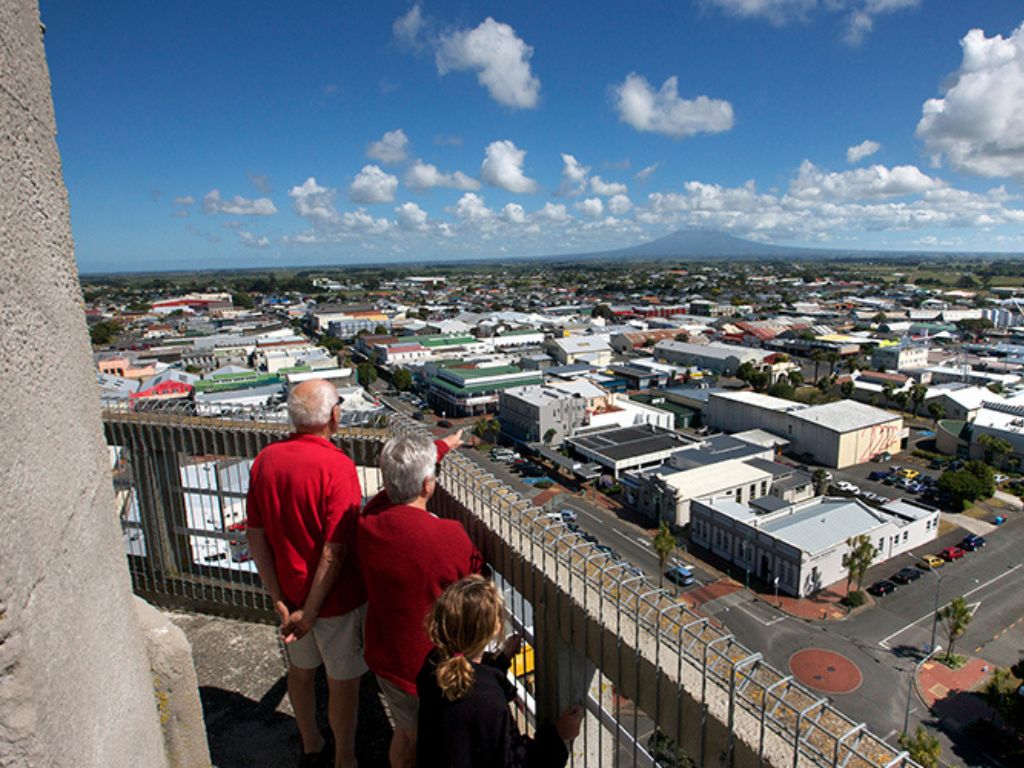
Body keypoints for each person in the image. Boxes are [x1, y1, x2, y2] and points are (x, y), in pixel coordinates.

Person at [246, 379, 367, 768]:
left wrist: (280, 600)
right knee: (342, 683)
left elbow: (256, 534)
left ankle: (311, 743)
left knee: (300, 672)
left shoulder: (267, 459)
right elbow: (335, 550)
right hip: (334, 600)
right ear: (333, 415)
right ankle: (344, 757)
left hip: (291, 595)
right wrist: (311, 611)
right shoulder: (338, 466)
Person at [357, 430, 481, 768]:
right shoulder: (447, 536)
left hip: (385, 655)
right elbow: (476, 582)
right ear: (428, 485)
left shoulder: (370, 520)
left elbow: (395, 487)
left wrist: (439, 448)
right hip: (429, 666)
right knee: (434, 744)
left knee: (406, 733)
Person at [416, 575, 583, 768]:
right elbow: (514, 762)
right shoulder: (488, 700)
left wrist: (499, 662)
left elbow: (470, 688)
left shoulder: (434, 664)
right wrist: (558, 736)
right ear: (495, 628)